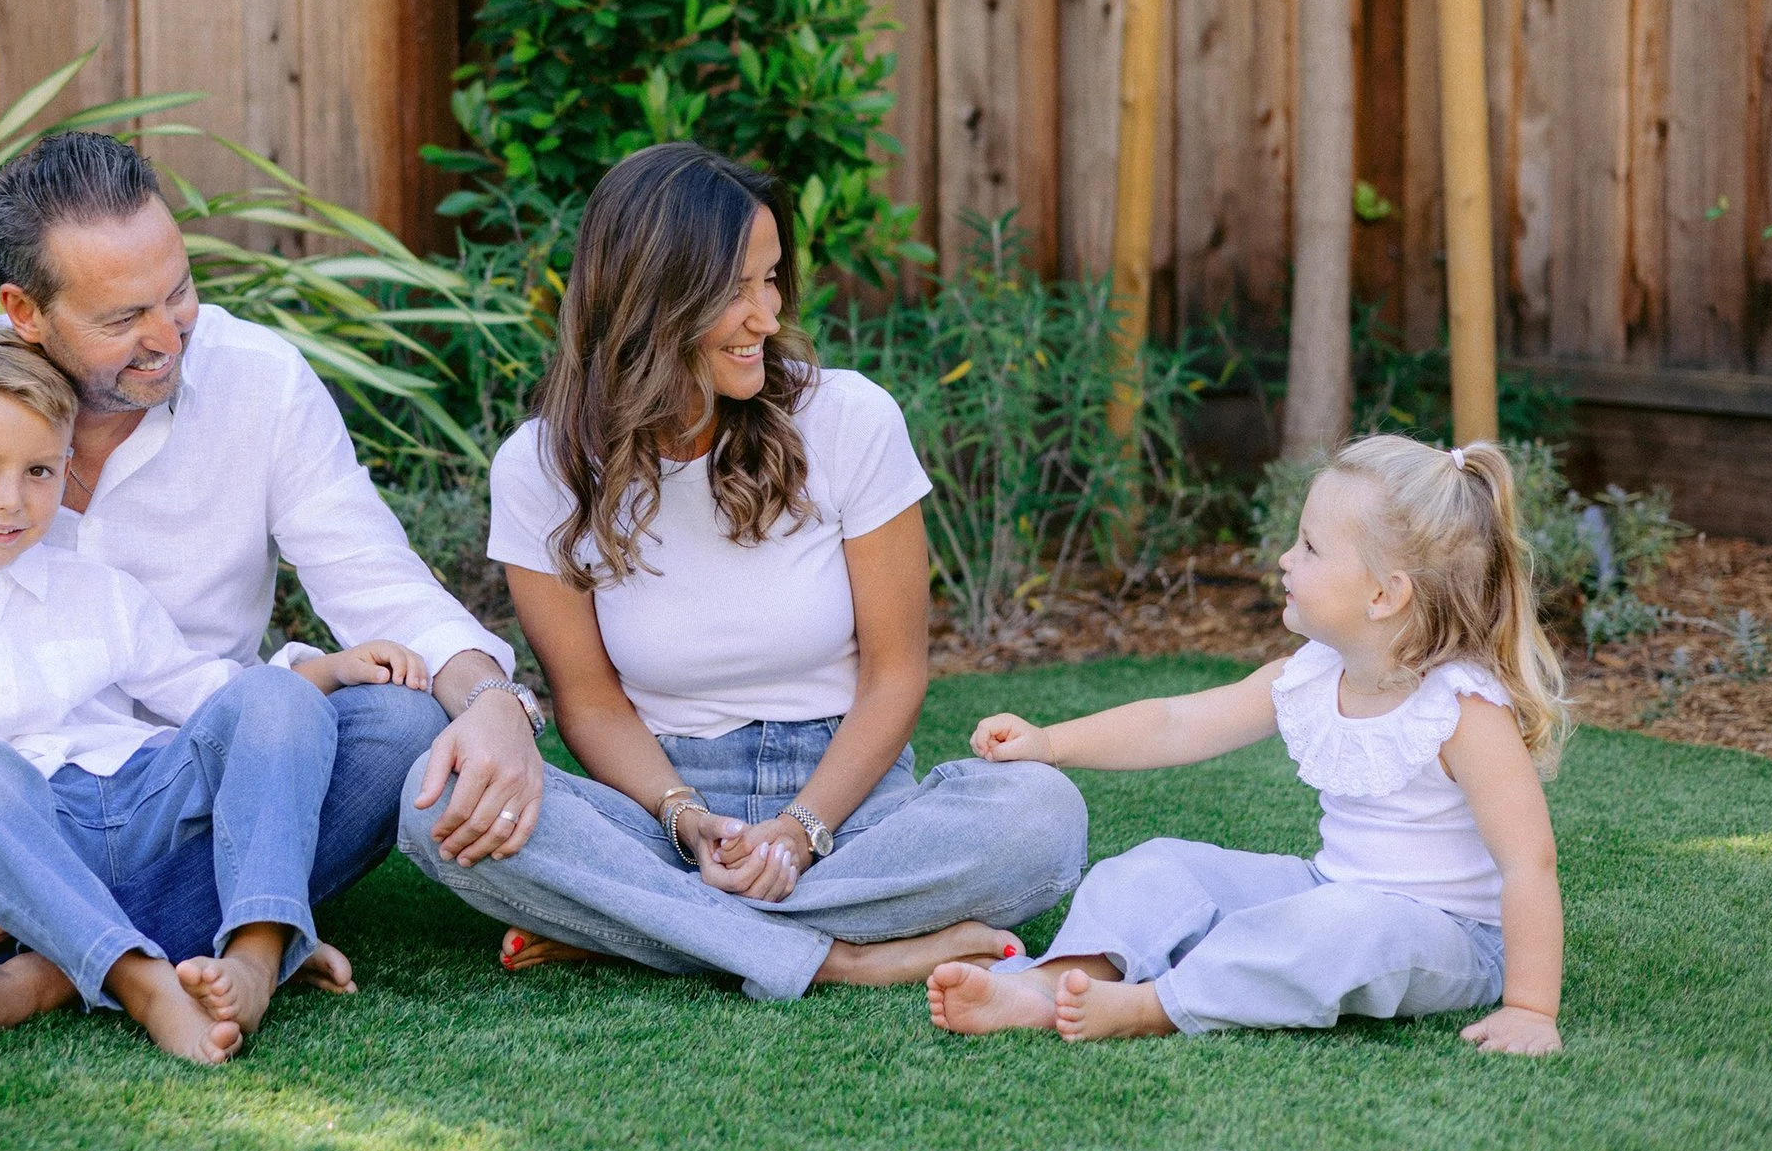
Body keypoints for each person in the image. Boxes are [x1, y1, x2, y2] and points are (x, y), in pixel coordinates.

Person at [0, 133, 545, 1025]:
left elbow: (378, 588)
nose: (168, 337)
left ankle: (43, 973)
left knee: (395, 723)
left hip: (183, 800)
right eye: (124, 319)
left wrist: (491, 699)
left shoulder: (261, 382)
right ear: (25, 310)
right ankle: (220, 927)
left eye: (180, 292)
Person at [399, 142, 1089, 999]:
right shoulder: (539, 468)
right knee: (435, 807)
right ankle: (843, 955)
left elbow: (895, 677)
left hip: (851, 803)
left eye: (771, 281)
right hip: (664, 808)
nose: (766, 315)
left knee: (1043, 818)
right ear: (653, 298)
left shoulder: (847, 418)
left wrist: (800, 833)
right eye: (737, 289)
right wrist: (686, 817)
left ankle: (646, 926)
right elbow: (589, 700)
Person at [0, 315, 435, 1061]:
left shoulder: (100, 591)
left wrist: (320, 673)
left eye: (39, 471)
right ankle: (138, 976)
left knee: (281, 699)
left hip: (139, 803)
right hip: (12, 838)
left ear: (64, 468)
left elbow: (211, 697)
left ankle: (256, 949)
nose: (10, 499)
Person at [927, 434, 1570, 1055]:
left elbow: (1529, 862)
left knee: (1344, 927)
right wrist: (1049, 742)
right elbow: (1178, 722)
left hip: (1450, 938)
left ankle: (1156, 1005)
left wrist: (1529, 1008)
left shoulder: (1463, 711)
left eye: (1311, 547)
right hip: (1329, 889)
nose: (1287, 558)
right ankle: (1052, 981)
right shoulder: (1317, 673)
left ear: (1384, 594)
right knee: (1160, 865)